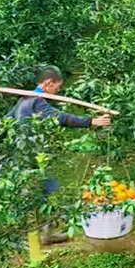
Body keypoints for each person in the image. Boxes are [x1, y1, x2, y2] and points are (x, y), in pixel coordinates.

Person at [7, 67, 111, 244]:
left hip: (21, 155)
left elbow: (6, 120)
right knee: (49, 188)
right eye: (57, 87)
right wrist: (92, 122)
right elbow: (61, 118)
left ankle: (35, 234)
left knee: (35, 191)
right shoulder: (37, 101)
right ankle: (42, 235)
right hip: (32, 156)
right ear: (48, 84)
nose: (58, 91)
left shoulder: (24, 100)